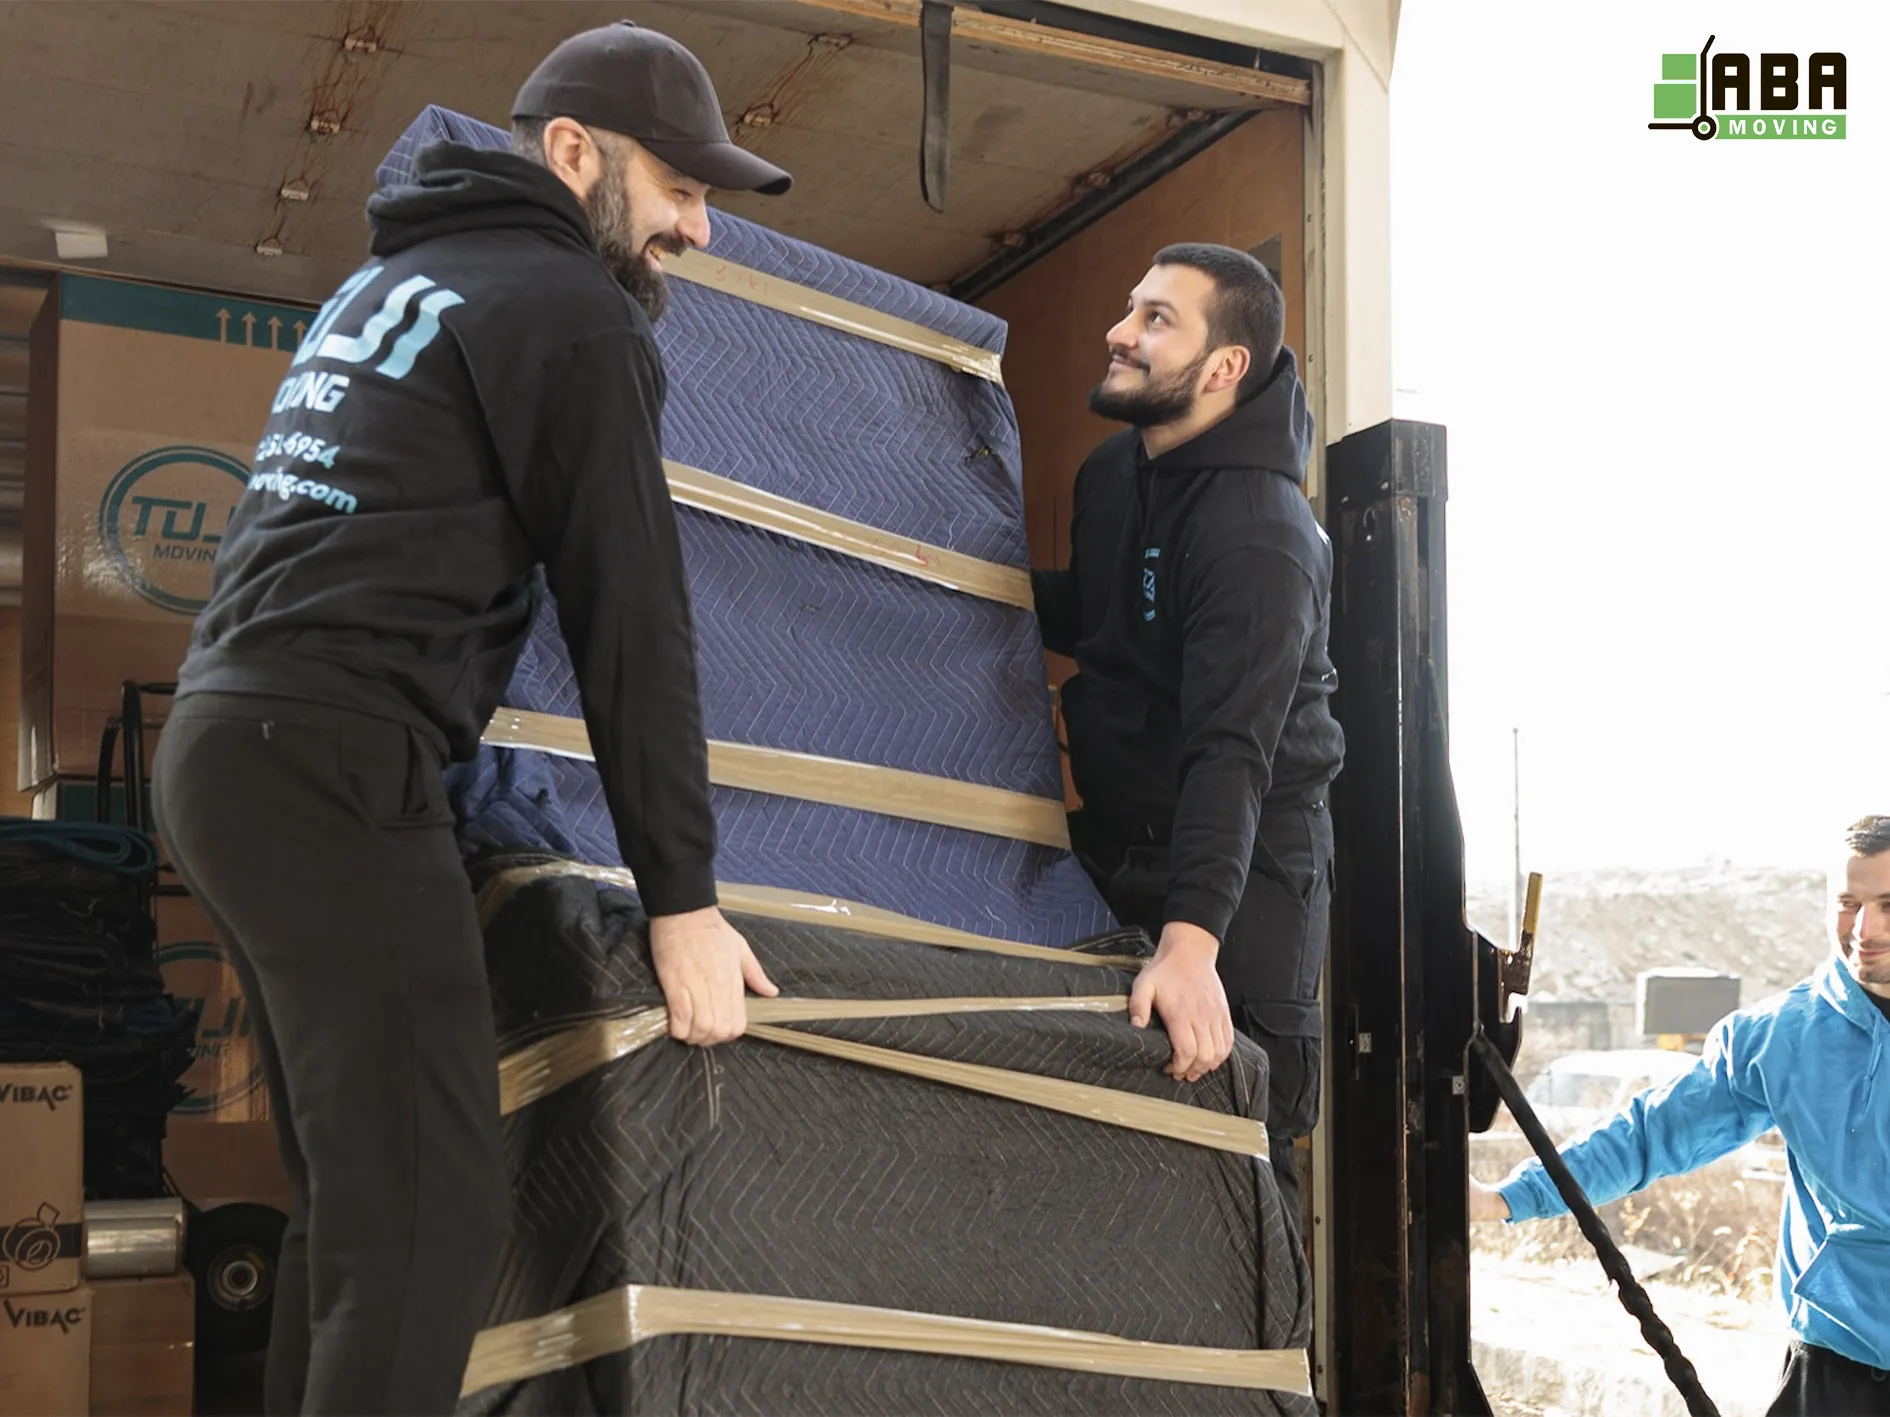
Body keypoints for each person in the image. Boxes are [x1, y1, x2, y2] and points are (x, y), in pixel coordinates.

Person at [150, 23, 790, 1415]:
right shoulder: (571, 310)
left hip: (229, 749)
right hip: (329, 762)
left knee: (355, 1219)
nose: (699, 224)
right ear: (573, 154)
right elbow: (631, 613)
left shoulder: (401, 280)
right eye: (680, 186)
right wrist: (682, 901)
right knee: (431, 1220)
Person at [1031, 244, 1345, 1230]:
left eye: (1157, 318)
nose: (1121, 330)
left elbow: (1232, 753)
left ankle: (1263, 1378)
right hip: (1124, 835)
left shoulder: (1261, 535)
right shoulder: (1112, 473)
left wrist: (1192, 944)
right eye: (1130, 305)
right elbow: (1094, 613)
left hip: (1243, 876)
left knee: (1232, 1142)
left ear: (1223, 370)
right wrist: (941, 576)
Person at [1472, 816, 1890, 1417]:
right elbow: (1650, 1134)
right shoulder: (1783, 1037)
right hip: (1832, 1378)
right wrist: (1508, 1198)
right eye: (1848, 903)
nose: (1864, 929)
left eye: (1886, 904)